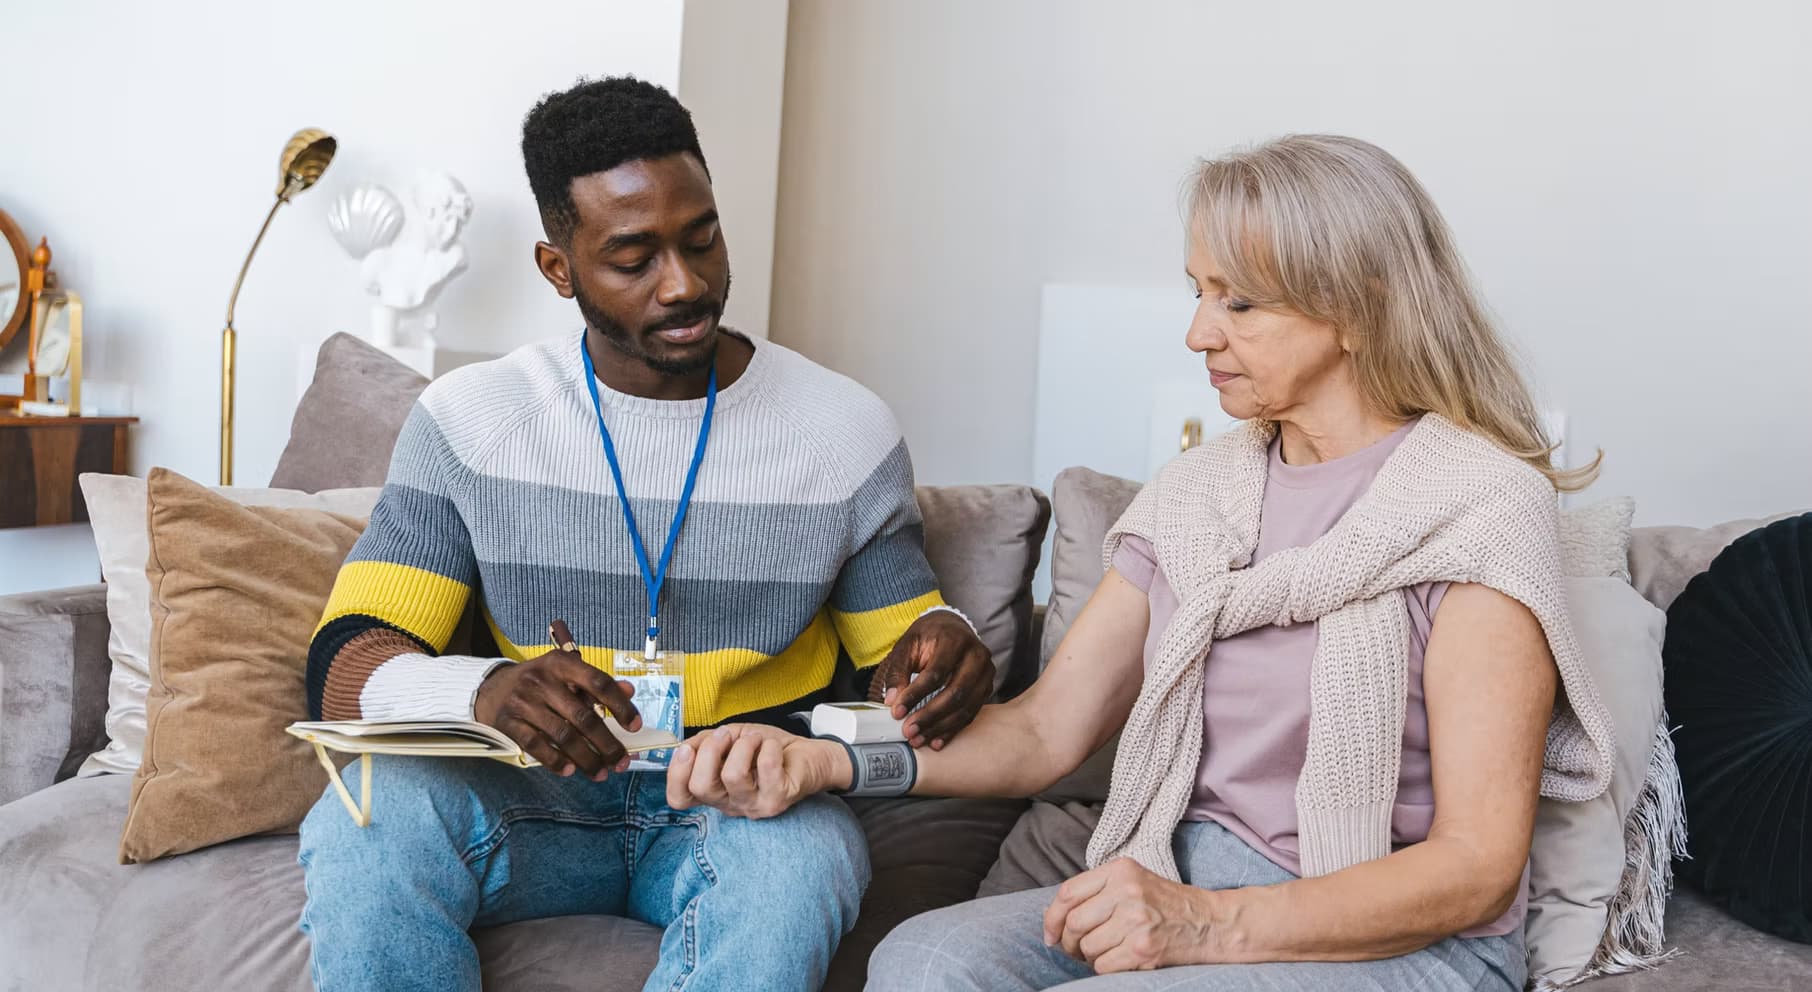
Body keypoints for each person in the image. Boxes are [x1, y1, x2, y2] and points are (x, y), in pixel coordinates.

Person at [666, 135, 1617, 991]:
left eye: (1239, 303)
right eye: (1198, 294)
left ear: (1357, 312)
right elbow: (1043, 734)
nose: (1200, 334)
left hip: (1396, 934)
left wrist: (1207, 925)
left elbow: (1476, 865)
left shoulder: (1478, 507)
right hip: (1181, 872)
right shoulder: (1199, 494)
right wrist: (822, 759)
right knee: (923, 961)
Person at [295, 76, 996, 992]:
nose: (687, 283)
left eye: (701, 238)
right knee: (363, 815)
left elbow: (899, 659)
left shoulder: (841, 430)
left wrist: (952, 649)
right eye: (634, 259)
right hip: (529, 798)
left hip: (739, 800)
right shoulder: (470, 420)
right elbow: (345, 660)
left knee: (805, 859)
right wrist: (487, 692)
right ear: (560, 268)